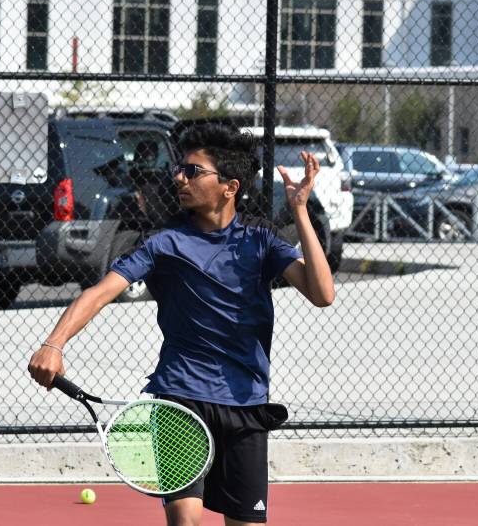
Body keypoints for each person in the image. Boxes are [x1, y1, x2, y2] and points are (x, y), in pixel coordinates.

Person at [28, 122, 335, 526]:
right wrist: (54, 343)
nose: (179, 177)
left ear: (230, 186)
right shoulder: (163, 241)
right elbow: (101, 292)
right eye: (180, 169)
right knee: (186, 522)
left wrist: (299, 210)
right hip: (179, 399)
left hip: (245, 404)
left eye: (193, 171)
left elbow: (322, 294)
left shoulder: (260, 238)